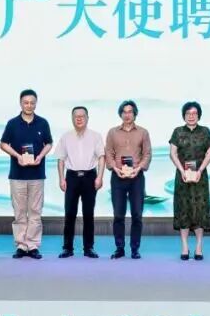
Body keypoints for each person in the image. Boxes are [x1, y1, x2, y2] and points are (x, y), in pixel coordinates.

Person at [0, 89, 53, 259]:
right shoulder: (12, 123)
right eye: (26, 102)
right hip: (17, 175)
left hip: (37, 175)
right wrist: (17, 156)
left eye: (32, 102)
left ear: (36, 104)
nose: (29, 105)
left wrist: (40, 156)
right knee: (20, 212)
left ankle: (33, 245)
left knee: (35, 211)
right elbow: (3, 144)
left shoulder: (43, 123)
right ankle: (21, 245)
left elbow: (49, 143)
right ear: (20, 103)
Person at [55, 106, 105, 258]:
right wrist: (61, 178)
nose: (79, 118)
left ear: (87, 118)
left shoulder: (96, 136)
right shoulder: (66, 137)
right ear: (72, 118)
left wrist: (100, 177)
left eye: (82, 116)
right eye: (76, 116)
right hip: (71, 177)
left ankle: (89, 248)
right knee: (69, 213)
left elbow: (101, 157)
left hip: (90, 177)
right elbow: (60, 159)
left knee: (88, 214)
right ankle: (67, 248)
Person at [105, 99, 152, 259]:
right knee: (118, 215)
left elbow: (147, 154)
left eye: (130, 112)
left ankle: (134, 249)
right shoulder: (112, 132)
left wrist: (139, 168)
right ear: (120, 114)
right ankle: (119, 248)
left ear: (135, 114)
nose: (127, 115)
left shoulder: (143, 132)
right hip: (117, 177)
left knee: (137, 215)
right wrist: (115, 168)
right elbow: (109, 153)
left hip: (136, 177)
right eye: (124, 112)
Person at [169, 101, 210, 261]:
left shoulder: (205, 131)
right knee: (183, 210)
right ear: (184, 115)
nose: (191, 116)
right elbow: (173, 153)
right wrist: (182, 171)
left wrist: (200, 170)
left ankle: (199, 247)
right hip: (182, 177)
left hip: (200, 177)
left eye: (194, 113)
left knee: (200, 210)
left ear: (199, 115)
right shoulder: (177, 132)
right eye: (188, 113)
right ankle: (184, 247)